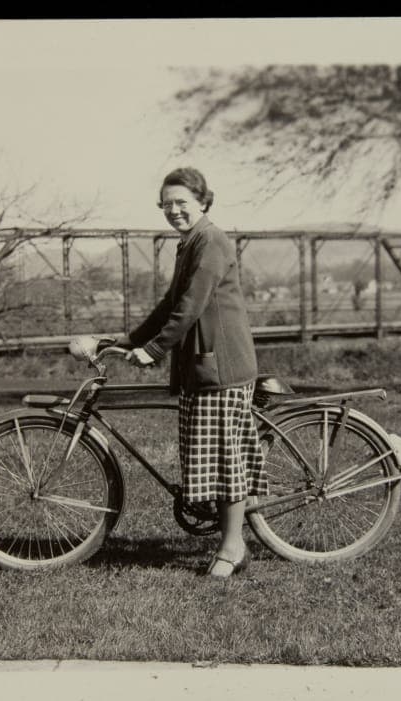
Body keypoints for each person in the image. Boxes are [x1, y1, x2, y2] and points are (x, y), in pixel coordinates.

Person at [116, 167, 265, 578]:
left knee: (223, 460)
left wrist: (155, 350)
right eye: (167, 204)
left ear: (203, 201)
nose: (174, 210)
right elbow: (170, 303)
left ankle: (233, 546)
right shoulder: (190, 243)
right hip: (202, 365)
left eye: (182, 202)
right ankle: (230, 536)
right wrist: (133, 339)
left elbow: (192, 304)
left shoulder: (212, 240)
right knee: (211, 457)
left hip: (222, 366)